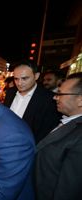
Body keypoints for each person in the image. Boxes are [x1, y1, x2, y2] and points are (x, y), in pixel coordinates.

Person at [35, 72, 82, 200]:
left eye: (60, 94)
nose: (55, 97)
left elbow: (69, 190)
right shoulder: (66, 121)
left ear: (80, 100)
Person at [3, 60, 62, 144]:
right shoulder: (10, 92)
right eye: (16, 79)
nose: (19, 83)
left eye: (24, 78)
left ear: (36, 76)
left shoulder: (49, 99)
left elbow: (46, 132)